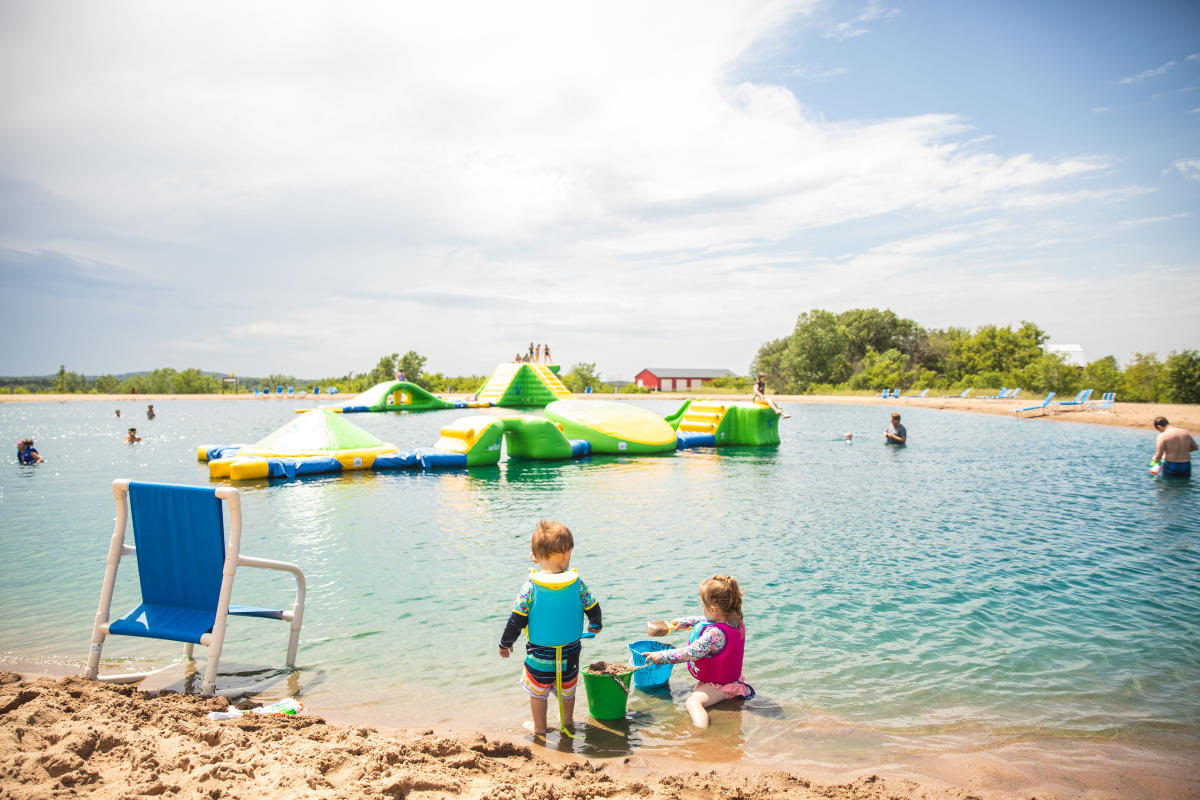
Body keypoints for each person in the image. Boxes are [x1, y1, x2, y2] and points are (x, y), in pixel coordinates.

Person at [498, 520, 602, 738]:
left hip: (539, 655)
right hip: (570, 652)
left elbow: (516, 619)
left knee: (538, 693)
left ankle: (540, 728)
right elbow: (593, 606)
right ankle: (569, 723)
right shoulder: (577, 583)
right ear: (567, 554)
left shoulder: (530, 587)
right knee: (567, 692)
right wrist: (595, 625)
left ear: (534, 557)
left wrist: (505, 644)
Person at [643, 575, 753, 729]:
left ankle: (700, 734)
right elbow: (706, 620)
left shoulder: (715, 634)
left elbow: (690, 653)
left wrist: (662, 656)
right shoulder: (734, 620)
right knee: (694, 696)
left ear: (713, 609)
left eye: (703, 605)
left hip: (721, 685)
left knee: (692, 703)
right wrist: (685, 622)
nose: (703, 609)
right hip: (730, 678)